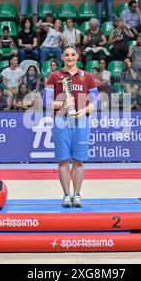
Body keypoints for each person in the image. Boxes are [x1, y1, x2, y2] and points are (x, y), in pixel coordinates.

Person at [43, 44, 98, 207]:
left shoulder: (87, 76)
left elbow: (96, 101)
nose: (70, 58)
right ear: (62, 58)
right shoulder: (54, 76)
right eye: (66, 55)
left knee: (79, 160)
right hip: (61, 120)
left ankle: (77, 194)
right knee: (63, 160)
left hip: (81, 120)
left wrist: (85, 110)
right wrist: (62, 104)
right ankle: (66, 195)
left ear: (78, 56)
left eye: (73, 55)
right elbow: (46, 102)